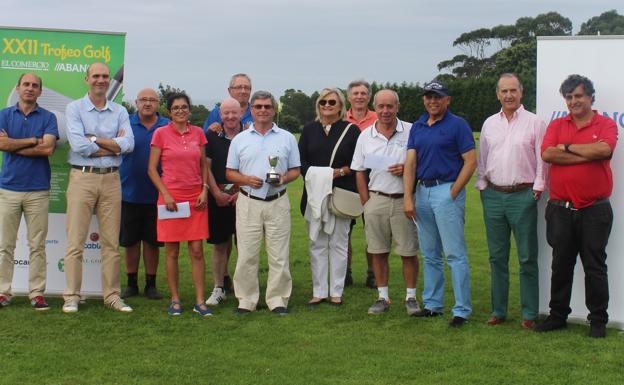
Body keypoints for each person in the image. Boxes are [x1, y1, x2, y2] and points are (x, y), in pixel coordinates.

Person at [536, 75, 617, 338]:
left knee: (595, 265)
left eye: (579, 96)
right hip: (560, 209)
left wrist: (568, 148)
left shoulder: (605, 124)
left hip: (595, 209)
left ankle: (598, 321)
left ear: (591, 97)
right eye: (569, 97)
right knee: (561, 265)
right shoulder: (558, 124)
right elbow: (548, 154)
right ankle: (558, 315)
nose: (574, 101)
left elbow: (604, 151)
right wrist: (585, 153)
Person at [476, 73, 548, 330]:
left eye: (513, 91)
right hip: (493, 195)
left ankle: (529, 313)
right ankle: (499, 310)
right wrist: (483, 184)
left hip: (523, 195)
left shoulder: (535, 122)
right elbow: (482, 158)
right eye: (504, 91)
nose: (509, 95)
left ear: (521, 92)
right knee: (497, 257)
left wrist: (538, 186)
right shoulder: (489, 124)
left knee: (527, 257)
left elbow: (543, 158)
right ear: (498, 94)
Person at [62, 62, 135, 313]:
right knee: (75, 241)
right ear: (87, 79)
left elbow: (128, 145)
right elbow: (78, 146)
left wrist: (94, 139)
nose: (101, 80)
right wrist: (112, 145)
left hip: (112, 179)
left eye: (105, 76)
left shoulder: (120, 110)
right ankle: (72, 295)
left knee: (111, 243)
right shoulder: (74, 108)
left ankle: (112, 296)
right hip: (83, 178)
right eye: (96, 76)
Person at [403, 79, 476, 327]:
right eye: (429, 97)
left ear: (447, 100)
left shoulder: (458, 125)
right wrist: (408, 196)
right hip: (423, 192)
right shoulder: (419, 126)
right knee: (430, 254)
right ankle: (433, 305)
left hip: (447, 190)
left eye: (437, 97)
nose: (432, 101)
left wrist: (454, 191)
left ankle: (461, 309)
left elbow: (470, 161)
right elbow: (410, 164)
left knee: (455, 254)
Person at [226, 91, 300, 316]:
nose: (263, 110)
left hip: (277, 201)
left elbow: (296, 170)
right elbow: (229, 172)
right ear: (251, 109)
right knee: (247, 253)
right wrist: (246, 179)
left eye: (267, 106)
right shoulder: (240, 139)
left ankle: (277, 299)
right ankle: (246, 299)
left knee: (279, 254)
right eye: (258, 106)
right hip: (249, 202)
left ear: (274, 109)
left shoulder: (286, 137)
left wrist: (283, 178)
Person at [351, 90, 420, 315]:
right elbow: (359, 171)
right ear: (375, 107)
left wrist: (408, 169)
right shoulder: (365, 136)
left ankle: (411, 297)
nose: (385, 111)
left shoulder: (411, 131)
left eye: (390, 106)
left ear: (397, 107)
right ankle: (382, 297)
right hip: (376, 199)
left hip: (404, 200)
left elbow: (422, 164)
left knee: (408, 252)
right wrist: (366, 202)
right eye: (381, 106)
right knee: (378, 251)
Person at [148, 92, 211, 317]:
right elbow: (151, 169)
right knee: (172, 252)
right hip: (170, 198)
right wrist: (165, 194)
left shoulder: (198, 133)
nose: (180, 111)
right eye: (176, 108)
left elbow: (204, 164)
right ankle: (175, 299)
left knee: (196, 250)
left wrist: (205, 189)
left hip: (196, 198)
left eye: (184, 107)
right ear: (169, 112)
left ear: (190, 110)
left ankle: (200, 301)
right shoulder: (160, 134)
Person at [0, 73, 58, 310]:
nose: (30, 89)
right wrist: (33, 139)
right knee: (5, 245)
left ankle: (37, 294)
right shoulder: (4, 115)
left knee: (37, 246)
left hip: (38, 190)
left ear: (40, 92)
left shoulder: (48, 117)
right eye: (26, 84)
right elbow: (2, 145)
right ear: (18, 88)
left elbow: (48, 149)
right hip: (9, 188)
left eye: (35, 86)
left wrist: (15, 144)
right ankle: (3, 292)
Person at [298, 88, 359, 306]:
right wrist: (322, 174)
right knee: (317, 243)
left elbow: (356, 162)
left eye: (332, 102)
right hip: (314, 195)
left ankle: (336, 291)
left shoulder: (351, 131)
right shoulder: (309, 130)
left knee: (339, 243)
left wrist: (339, 172)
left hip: (341, 194)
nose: (327, 106)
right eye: (323, 102)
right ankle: (319, 290)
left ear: (341, 106)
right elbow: (300, 162)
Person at [119, 88, 169, 300]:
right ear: (136, 102)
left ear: (158, 103)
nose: (148, 103)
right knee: (130, 242)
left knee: (152, 242)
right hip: (128, 192)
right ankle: (131, 283)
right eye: (143, 100)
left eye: (152, 100)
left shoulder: (166, 125)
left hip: (157, 194)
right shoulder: (124, 123)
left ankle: (151, 284)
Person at [204, 97, 243, 306]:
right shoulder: (212, 135)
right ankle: (218, 287)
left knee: (244, 245)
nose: (230, 117)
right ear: (220, 115)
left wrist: (243, 192)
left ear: (240, 114)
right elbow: (206, 167)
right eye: (226, 113)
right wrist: (215, 193)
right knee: (219, 245)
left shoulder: (249, 135)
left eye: (234, 112)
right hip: (217, 198)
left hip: (244, 198)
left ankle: (243, 287)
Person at [345, 79, 378, 288]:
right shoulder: (340, 117)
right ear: (348, 97)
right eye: (355, 93)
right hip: (346, 180)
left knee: (373, 229)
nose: (359, 96)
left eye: (363, 93)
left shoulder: (378, 118)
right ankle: (345, 272)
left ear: (369, 97)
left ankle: (373, 273)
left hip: (372, 179)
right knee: (344, 229)